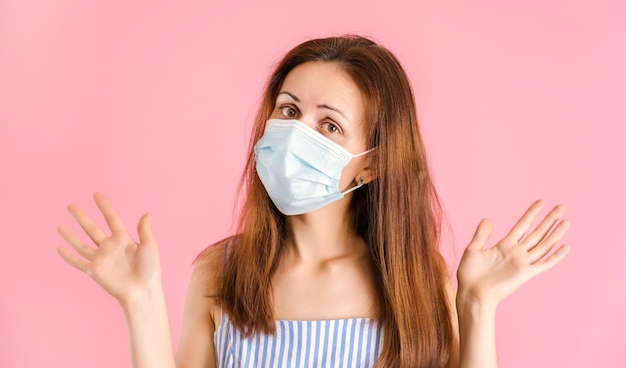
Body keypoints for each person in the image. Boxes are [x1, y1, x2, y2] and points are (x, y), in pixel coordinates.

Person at [57, 35, 570, 368]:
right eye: (287, 110)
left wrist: (478, 305)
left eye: (329, 124)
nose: (295, 134)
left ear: (371, 164)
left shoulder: (417, 278)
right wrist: (140, 302)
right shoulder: (221, 273)